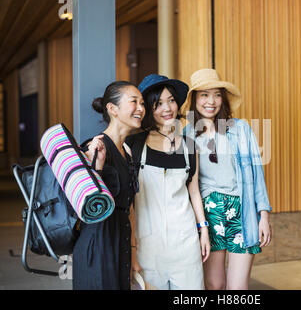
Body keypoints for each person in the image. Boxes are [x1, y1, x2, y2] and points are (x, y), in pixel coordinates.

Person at [182, 68, 272, 290]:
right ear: (195, 99)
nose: (211, 101)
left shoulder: (240, 129)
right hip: (208, 213)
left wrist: (264, 215)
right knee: (214, 284)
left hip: (242, 211)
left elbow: (256, 174)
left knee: (238, 288)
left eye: (217, 94)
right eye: (204, 95)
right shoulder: (186, 134)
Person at [125, 74, 210, 290]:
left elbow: (194, 192)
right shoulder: (133, 145)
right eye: (158, 103)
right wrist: (132, 248)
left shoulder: (190, 146)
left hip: (185, 243)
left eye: (171, 100)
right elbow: (128, 202)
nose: (167, 108)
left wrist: (204, 230)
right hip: (147, 245)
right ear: (147, 109)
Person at [72, 81, 145, 290]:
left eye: (142, 103)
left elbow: (128, 207)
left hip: (120, 244)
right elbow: (82, 205)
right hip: (98, 246)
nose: (141, 108)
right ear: (112, 109)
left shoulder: (128, 152)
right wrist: (98, 168)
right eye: (134, 102)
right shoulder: (94, 147)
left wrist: (132, 253)